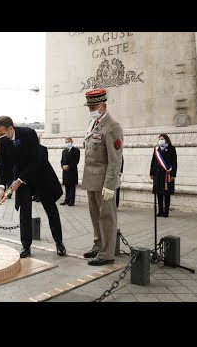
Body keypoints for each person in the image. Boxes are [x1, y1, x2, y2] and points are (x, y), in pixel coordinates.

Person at [0, 116, 66, 258]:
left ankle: (59, 242)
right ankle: (26, 246)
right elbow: (2, 166)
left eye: (2, 134)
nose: (0, 138)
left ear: (10, 129)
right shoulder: (2, 141)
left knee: (50, 209)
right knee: (24, 211)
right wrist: (1, 187)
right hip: (22, 178)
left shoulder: (29, 134)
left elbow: (37, 161)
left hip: (40, 175)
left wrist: (19, 180)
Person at [81, 89, 123, 266]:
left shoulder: (112, 126)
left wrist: (110, 185)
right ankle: (98, 246)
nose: (91, 109)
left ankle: (107, 254)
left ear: (104, 106)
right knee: (95, 215)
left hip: (104, 181)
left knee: (106, 217)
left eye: (94, 106)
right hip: (91, 179)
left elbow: (115, 160)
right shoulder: (94, 124)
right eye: (89, 106)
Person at [150, 133, 177, 218]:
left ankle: (166, 211)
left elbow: (174, 162)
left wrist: (173, 174)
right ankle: (160, 210)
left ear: (166, 139)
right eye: (159, 139)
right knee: (159, 193)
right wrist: (151, 173)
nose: (160, 140)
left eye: (162, 139)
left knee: (167, 194)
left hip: (167, 175)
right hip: (157, 175)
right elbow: (153, 161)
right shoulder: (156, 149)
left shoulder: (171, 149)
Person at [60, 137, 80, 206]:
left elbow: (76, 161)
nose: (67, 143)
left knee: (72, 187)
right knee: (66, 186)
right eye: (66, 142)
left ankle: (72, 201)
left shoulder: (76, 150)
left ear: (71, 141)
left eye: (68, 141)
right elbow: (62, 160)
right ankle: (66, 200)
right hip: (65, 172)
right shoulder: (64, 151)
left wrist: (69, 166)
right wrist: (62, 166)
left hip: (72, 172)